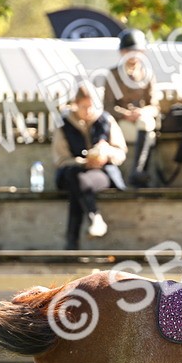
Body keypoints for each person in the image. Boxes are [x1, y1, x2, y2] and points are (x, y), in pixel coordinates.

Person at [52, 81, 127, 250]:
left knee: (77, 185)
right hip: (73, 171)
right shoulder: (63, 124)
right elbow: (60, 159)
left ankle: (72, 242)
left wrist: (105, 154)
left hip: (100, 173)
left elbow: (120, 151)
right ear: (75, 105)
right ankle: (94, 217)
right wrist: (84, 162)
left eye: (91, 106)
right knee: (74, 176)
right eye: (84, 106)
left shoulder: (106, 120)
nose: (88, 110)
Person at [103, 29, 160, 187]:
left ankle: (138, 170)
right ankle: (139, 173)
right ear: (122, 52)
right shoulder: (113, 75)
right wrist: (125, 114)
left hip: (142, 121)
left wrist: (141, 112)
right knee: (146, 130)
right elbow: (108, 106)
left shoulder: (147, 74)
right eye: (129, 51)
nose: (133, 55)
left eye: (136, 51)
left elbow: (154, 105)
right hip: (122, 123)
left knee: (146, 124)